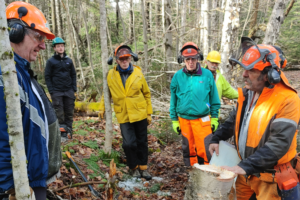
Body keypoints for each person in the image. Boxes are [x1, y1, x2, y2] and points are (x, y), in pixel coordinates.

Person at [209, 37, 300, 200]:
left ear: (269, 75)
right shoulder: (248, 92)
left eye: (250, 70)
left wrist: (245, 166)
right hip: (246, 173)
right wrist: (217, 138)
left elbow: (279, 143)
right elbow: (233, 121)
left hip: (271, 179)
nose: (244, 74)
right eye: (244, 68)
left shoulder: (288, 100)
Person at [0, 2, 61, 200]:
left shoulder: (21, 72)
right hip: (19, 185)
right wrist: (11, 188)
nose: (43, 45)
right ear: (14, 32)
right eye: (38, 37)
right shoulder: (5, 78)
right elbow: (2, 138)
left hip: (32, 179)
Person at [98, 45, 153, 180]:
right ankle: (133, 167)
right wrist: (102, 108)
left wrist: (149, 113)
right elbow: (106, 94)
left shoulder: (138, 73)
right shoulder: (110, 75)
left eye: (126, 58)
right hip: (123, 114)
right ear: (116, 60)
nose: (124, 61)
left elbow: (146, 93)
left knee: (142, 142)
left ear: (130, 58)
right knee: (128, 144)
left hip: (139, 112)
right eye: (121, 59)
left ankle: (143, 167)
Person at [170, 42, 221, 166]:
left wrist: (214, 118)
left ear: (198, 58)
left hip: (202, 120)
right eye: (187, 59)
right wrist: (174, 120)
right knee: (188, 150)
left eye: (193, 59)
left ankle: (207, 175)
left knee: (206, 150)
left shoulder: (207, 75)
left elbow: (214, 99)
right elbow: (173, 100)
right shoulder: (178, 76)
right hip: (184, 120)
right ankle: (191, 173)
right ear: (183, 60)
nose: (190, 62)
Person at [45, 37, 77, 138]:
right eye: (58, 46)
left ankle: (69, 132)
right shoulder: (51, 61)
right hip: (57, 91)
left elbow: (73, 74)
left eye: (62, 46)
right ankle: (61, 134)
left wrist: (74, 88)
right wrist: (51, 91)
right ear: (54, 48)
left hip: (68, 90)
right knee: (59, 112)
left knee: (69, 111)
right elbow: (47, 76)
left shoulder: (69, 60)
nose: (60, 48)